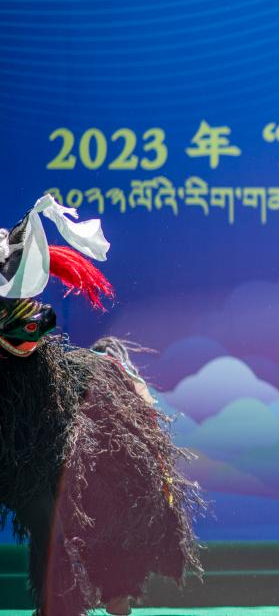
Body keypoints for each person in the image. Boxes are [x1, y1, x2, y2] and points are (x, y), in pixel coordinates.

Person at [0, 195, 202, 616]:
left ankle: (104, 588)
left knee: (72, 501)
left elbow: (25, 337)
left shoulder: (47, 379)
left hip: (33, 405)